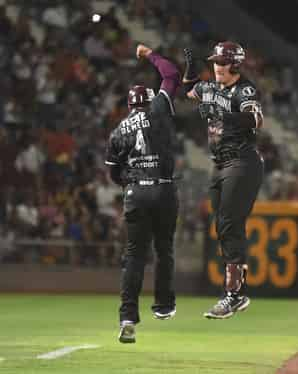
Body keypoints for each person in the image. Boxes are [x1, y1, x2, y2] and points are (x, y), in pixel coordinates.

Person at [183, 41, 264, 319]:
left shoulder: (245, 89)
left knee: (229, 223)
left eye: (222, 62)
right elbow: (191, 91)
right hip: (221, 164)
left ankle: (233, 294)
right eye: (215, 61)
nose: (217, 66)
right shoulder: (211, 87)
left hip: (242, 161)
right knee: (224, 226)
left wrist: (222, 115)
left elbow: (255, 119)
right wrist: (190, 71)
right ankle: (236, 293)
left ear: (236, 64)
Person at [105, 44, 180, 343]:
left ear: (128, 106)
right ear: (150, 100)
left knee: (134, 256)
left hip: (136, 193)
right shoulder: (159, 109)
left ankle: (127, 316)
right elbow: (171, 74)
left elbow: (112, 172)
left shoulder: (118, 130)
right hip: (163, 189)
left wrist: (129, 182)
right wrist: (149, 54)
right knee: (164, 249)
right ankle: (163, 306)